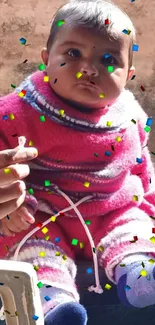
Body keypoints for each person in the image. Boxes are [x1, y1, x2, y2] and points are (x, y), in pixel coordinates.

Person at [0, 0, 155, 324]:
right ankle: (57, 305)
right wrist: (15, 204)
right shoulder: (17, 112)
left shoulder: (131, 118)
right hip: (43, 215)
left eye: (108, 59)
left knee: (135, 229)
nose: (89, 68)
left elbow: (142, 171)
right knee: (33, 253)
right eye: (72, 54)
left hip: (111, 208)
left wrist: (150, 209)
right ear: (46, 60)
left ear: (128, 75)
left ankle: (141, 279)